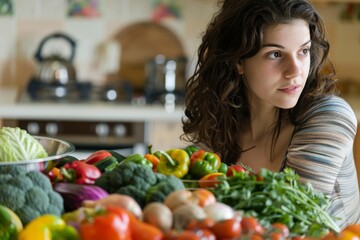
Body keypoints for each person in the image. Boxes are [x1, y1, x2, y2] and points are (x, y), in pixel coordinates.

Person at [182, 0, 360, 228]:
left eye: (303, 51)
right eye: (276, 54)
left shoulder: (330, 117)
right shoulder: (219, 126)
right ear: (239, 61)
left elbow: (293, 223)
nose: (296, 70)